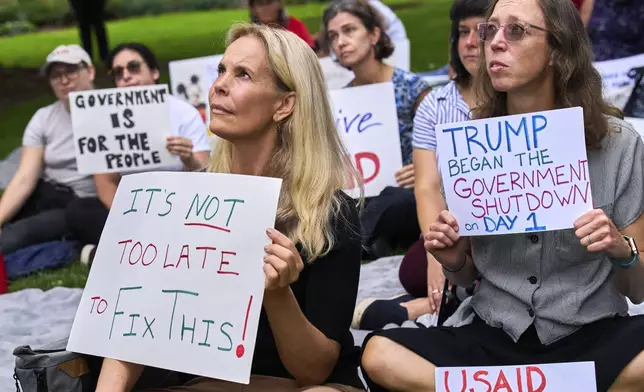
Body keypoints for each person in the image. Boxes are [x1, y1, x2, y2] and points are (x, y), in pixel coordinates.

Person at [360, 0, 644, 391]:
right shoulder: (473, 146)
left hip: (590, 332)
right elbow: (467, 276)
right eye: (489, 30)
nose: (493, 42)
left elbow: (639, 288)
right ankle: (563, 386)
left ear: (557, 51)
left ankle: (508, 386)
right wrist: (454, 259)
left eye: (516, 31)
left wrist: (619, 247)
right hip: (493, 336)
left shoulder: (618, 145)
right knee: (379, 354)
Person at [94, 22, 365, 392]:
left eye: (243, 75)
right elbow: (131, 329)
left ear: (285, 104)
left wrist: (276, 292)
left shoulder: (330, 214)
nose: (219, 85)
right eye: (222, 69)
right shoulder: (182, 201)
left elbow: (314, 371)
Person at [351, 0, 488, 331]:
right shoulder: (436, 106)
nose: (470, 42)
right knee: (414, 270)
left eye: (481, 31)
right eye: (462, 32)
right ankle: (444, 300)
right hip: (455, 229)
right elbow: (427, 186)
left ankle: (423, 308)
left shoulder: (521, 97)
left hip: (508, 234)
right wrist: (435, 254)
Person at [65, 43, 211, 264]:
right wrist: (130, 218)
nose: (126, 76)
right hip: (130, 209)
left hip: (179, 205)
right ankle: (156, 249)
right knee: (79, 210)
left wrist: (187, 157)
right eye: (118, 72)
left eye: (133, 67)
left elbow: (205, 174)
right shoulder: (103, 119)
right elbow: (105, 184)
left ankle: (108, 254)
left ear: (154, 72)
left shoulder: (183, 113)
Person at [322, 0, 430, 262]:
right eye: (334, 36)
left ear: (374, 35)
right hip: (359, 196)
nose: (340, 42)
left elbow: (447, 149)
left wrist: (426, 168)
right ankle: (366, 241)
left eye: (349, 30)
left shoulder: (412, 87)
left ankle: (351, 244)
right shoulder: (340, 100)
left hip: (407, 194)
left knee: (396, 199)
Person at [0, 45, 97, 255]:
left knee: (16, 235)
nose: (64, 81)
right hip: (46, 193)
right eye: (55, 76)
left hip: (79, 204)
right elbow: (25, 177)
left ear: (89, 71)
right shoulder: (43, 118)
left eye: (71, 71)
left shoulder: (115, 112)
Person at [249, 0, 314, 48]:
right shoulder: (249, 32)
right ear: (253, 9)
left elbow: (310, 52)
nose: (266, 8)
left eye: (269, 2)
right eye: (260, 4)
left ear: (280, 4)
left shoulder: (295, 25)